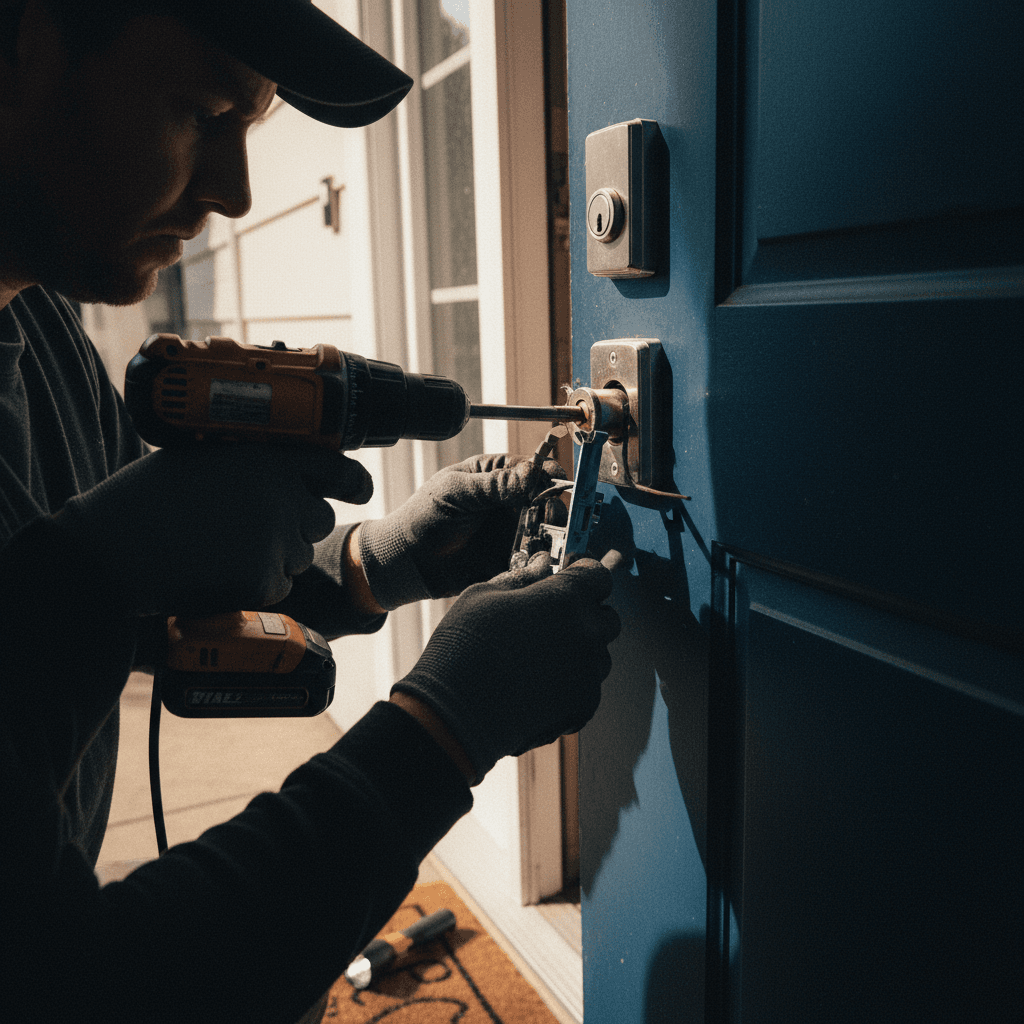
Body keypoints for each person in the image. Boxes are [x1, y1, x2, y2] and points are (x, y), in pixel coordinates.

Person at [0, 2, 620, 1021]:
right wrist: (443, 729)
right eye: (201, 112)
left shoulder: (45, 331)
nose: (237, 193)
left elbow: (93, 625)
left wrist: (363, 569)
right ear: (19, 39)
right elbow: (77, 986)